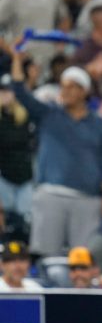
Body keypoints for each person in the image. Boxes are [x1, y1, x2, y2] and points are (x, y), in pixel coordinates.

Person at [11, 50, 102, 257]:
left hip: (87, 198)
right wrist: (17, 61)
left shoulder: (99, 125)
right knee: (45, 254)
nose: (66, 91)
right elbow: (21, 93)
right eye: (63, 86)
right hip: (50, 193)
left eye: (72, 87)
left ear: (84, 91)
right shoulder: (49, 114)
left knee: (84, 257)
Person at [0, 0, 71, 70]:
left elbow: (65, 18)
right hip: (25, 62)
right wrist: (10, 50)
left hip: (50, 61)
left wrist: (61, 43)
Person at [0, 74, 34, 222]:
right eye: (2, 91)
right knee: (6, 220)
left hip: (25, 175)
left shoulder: (26, 114)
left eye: (9, 91)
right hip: (3, 176)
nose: (6, 95)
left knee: (24, 221)